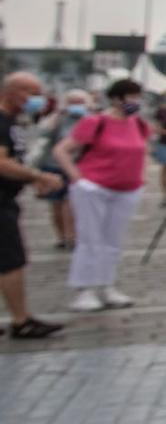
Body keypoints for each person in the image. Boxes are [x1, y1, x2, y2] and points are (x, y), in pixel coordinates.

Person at [55, 78, 149, 312]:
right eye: (131, 97)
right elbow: (62, 150)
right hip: (94, 187)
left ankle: (107, 285)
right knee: (89, 239)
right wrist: (78, 178)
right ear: (117, 99)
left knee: (112, 241)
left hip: (127, 189)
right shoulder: (95, 122)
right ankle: (84, 289)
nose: (136, 102)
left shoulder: (138, 124)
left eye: (138, 97)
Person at [1, 73, 66, 340]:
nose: (37, 99)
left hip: (6, 197)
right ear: (13, 91)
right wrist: (36, 176)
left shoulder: (12, 121)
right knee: (11, 261)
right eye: (32, 92)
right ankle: (21, 321)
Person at [35, 89, 92, 251]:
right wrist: (55, 115)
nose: (77, 106)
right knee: (56, 205)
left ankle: (71, 236)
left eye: (80, 102)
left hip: (78, 167)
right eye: (73, 102)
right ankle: (61, 236)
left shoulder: (89, 119)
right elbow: (43, 133)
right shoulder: (59, 119)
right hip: (54, 166)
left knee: (71, 202)